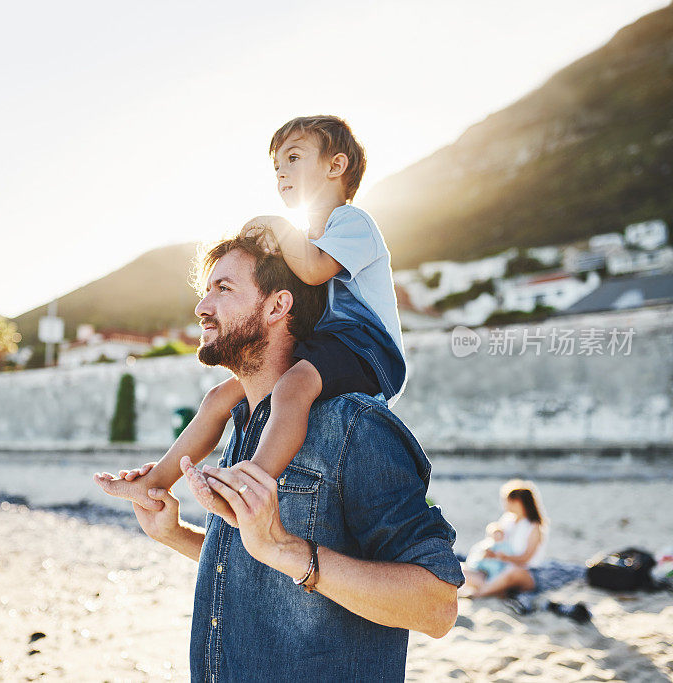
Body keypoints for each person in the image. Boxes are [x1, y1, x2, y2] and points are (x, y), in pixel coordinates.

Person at [94, 235, 462, 680]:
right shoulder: (243, 425)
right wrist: (173, 534)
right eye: (205, 290)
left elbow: (437, 605)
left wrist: (289, 551)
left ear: (276, 306)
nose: (202, 307)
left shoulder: (355, 426)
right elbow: (257, 565)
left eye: (223, 289)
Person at [94, 115, 406, 523]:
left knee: (293, 389)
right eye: (277, 168)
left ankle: (251, 481)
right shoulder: (307, 235)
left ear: (336, 166)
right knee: (219, 398)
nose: (282, 174)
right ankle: (155, 480)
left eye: (293, 158)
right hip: (325, 342)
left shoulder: (352, 223)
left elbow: (313, 272)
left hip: (367, 347)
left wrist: (276, 225)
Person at [460, 479, 549, 598]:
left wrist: (504, 557)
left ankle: (480, 593)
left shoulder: (534, 526)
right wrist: (489, 552)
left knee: (512, 573)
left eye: (507, 501)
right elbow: (495, 540)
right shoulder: (508, 520)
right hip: (498, 569)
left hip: (524, 572)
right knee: (461, 569)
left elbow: (526, 558)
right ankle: (497, 589)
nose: (504, 505)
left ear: (517, 502)